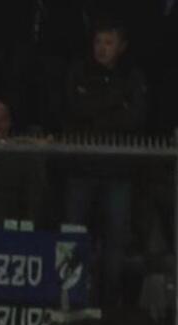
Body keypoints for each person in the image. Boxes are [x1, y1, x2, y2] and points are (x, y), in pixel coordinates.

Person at [63, 22, 150, 304]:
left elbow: (135, 118)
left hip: (117, 171)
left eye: (109, 42)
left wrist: (96, 112)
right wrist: (114, 107)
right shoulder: (78, 71)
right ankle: (71, 296)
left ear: (121, 46)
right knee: (73, 234)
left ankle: (111, 302)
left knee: (116, 240)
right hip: (81, 168)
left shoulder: (133, 76)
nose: (102, 48)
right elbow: (74, 109)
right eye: (98, 42)